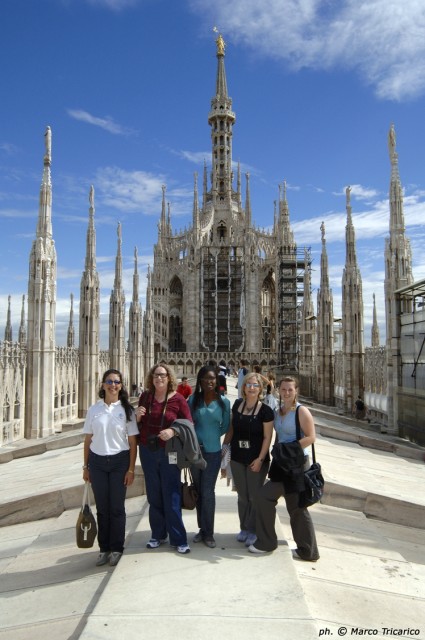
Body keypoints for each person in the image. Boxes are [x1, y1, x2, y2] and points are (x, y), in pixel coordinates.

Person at [249, 376, 320, 562]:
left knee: (297, 507)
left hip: (297, 464)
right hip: (282, 464)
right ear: (278, 390)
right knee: (265, 497)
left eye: (290, 389)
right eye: (283, 389)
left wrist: (290, 448)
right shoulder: (278, 411)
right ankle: (267, 541)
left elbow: (311, 437)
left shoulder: (301, 411)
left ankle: (308, 551)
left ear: (296, 390)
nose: (287, 393)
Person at [82, 369, 138, 567]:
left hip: (119, 462)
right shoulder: (94, 410)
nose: (113, 385)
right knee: (102, 508)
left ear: (121, 386)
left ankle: (116, 548)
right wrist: (85, 467)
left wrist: (131, 469)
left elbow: (132, 442)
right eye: (109, 381)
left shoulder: (127, 410)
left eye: (116, 382)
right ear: (103, 385)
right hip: (97, 462)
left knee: (116, 507)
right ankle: (103, 549)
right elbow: (88, 439)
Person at [136, 363, 193, 554]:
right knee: (154, 494)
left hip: (170, 452)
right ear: (151, 379)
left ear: (169, 378)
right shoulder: (145, 397)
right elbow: (137, 424)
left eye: (162, 375)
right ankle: (158, 534)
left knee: (172, 494)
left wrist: (173, 430)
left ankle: (178, 538)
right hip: (148, 450)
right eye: (155, 375)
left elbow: (188, 424)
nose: (159, 378)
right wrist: (136, 417)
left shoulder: (178, 400)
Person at [223, 371, 274, 547]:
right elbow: (232, 429)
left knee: (254, 496)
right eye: (248, 384)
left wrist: (260, 459)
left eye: (255, 385)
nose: (251, 388)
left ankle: (253, 530)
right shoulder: (237, 405)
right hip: (237, 457)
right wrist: (224, 447)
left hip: (256, 459)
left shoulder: (266, 411)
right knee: (242, 496)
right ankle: (244, 527)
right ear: (243, 387)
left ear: (260, 388)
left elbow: (268, 437)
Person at [187, 365, 231, 548]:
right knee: (198, 491)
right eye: (205, 379)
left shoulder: (224, 402)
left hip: (212, 453)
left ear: (217, 380)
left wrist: (214, 438)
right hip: (195, 452)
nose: (209, 382)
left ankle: (209, 533)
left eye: (212, 379)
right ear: (200, 381)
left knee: (207, 491)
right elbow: (188, 423)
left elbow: (226, 427)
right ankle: (202, 529)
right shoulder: (192, 400)